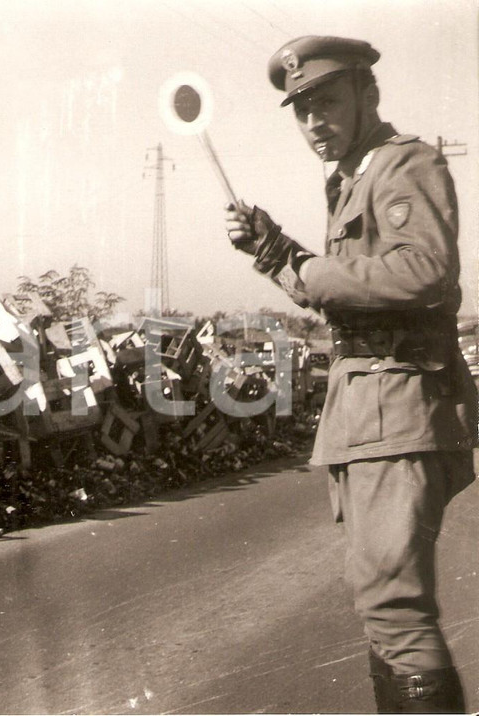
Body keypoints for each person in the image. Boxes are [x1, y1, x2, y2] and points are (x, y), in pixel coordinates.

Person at [224, 35, 478, 713]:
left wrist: (306, 270)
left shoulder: (404, 162)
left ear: (370, 93)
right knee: (380, 603)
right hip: (370, 412)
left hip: (398, 404)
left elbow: (423, 271)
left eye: (328, 102)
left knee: (395, 608)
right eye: (302, 111)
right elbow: (347, 287)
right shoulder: (351, 180)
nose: (314, 122)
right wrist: (274, 250)